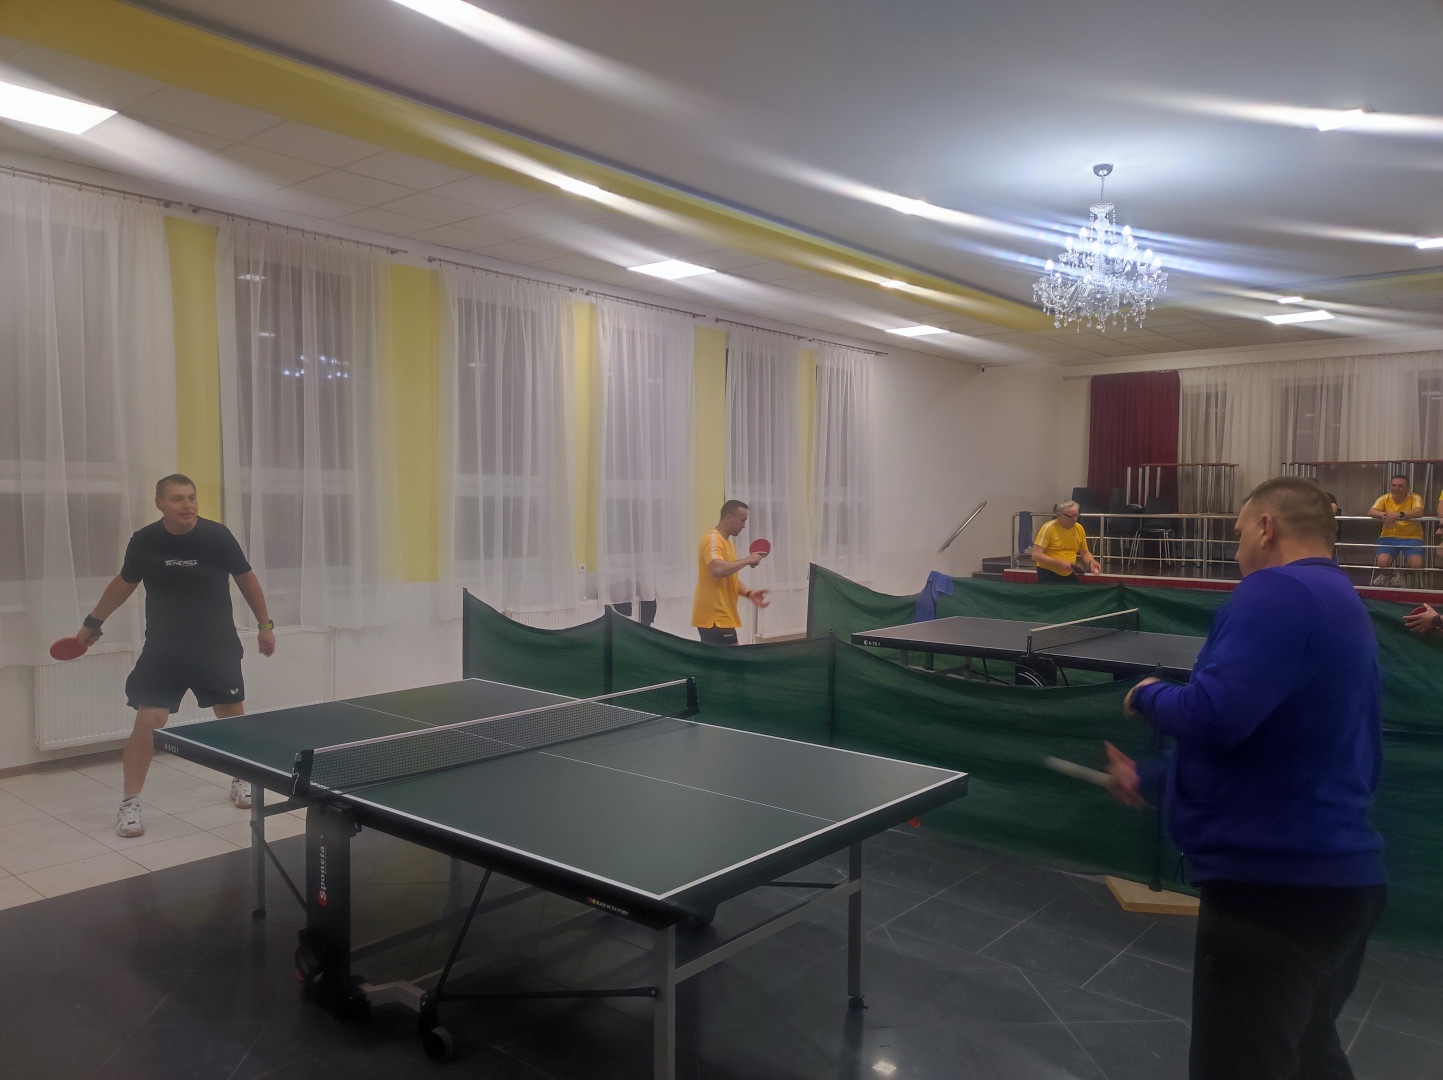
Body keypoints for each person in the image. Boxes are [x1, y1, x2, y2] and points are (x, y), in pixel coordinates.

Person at [1104, 476, 1385, 1080]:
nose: (1235, 554)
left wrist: (1147, 694)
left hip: (1272, 892)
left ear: (1266, 527)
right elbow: (1280, 739)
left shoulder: (1277, 590)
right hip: (1335, 886)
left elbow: (1216, 714)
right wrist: (1151, 776)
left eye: (1237, 535)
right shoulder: (1341, 601)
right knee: (1308, 1059)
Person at [69, 474, 276, 837]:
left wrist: (265, 625)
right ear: (160, 504)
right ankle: (129, 803)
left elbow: (247, 579)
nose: (187, 505)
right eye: (178, 498)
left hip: (215, 646)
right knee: (148, 721)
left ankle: (241, 780)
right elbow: (124, 583)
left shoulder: (217, 536)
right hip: (164, 648)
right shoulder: (145, 540)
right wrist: (92, 622)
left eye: (191, 497)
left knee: (231, 717)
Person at [691, 499, 769, 645]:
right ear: (728, 517)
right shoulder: (713, 540)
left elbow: (728, 578)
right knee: (732, 658)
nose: (744, 525)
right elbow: (717, 569)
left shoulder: (728, 543)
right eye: (742, 520)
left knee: (718, 659)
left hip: (721, 617)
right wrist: (746, 560)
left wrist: (749, 593)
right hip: (715, 617)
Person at [1369, 473, 1425, 584]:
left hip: (1412, 537)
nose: (1396, 488)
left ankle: (1401, 572)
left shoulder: (1414, 497)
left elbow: (1419, 511)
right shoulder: (1384, 498)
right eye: (1393, 485)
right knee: (1382, 562)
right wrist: (1385, 515)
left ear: (1408, 488)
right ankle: (1386, 573)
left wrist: (1399, 514)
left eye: (1400, 486)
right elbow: (1371, 511)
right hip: (1388, 536)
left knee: (1416, 564)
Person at [1030, 500, 1101, 583]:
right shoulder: (1048, 528)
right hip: (1048, 573)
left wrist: (1091, 562)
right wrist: (1060, 563)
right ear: (1059, 515)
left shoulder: (1079, 528)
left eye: (1077, 515)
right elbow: (1036, 555)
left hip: (1069, 572)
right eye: (1071, 516)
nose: (1075, 519)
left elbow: (1084, 552)